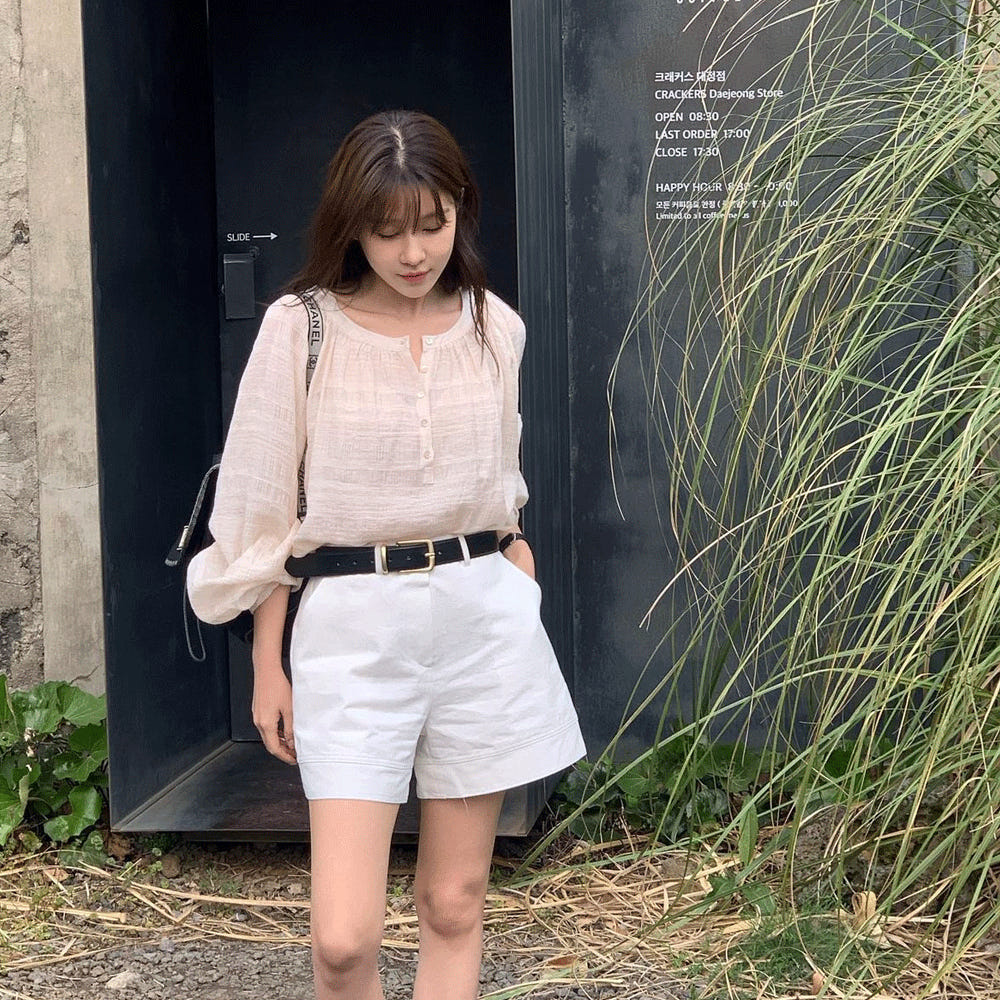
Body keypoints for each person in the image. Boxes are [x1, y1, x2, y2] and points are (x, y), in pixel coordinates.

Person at [186, 109, 586, 1000]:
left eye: (433, 225)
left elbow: (502, 479)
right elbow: (263, 512)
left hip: (480, 624)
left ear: (460, 211)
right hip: (352, 628)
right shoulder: (301, 328)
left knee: (454, 902)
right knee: (342, 940)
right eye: (388, 230)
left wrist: (515, 557)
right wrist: (268, 663)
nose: (414, 253)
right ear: (352, 227)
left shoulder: (494, 325)